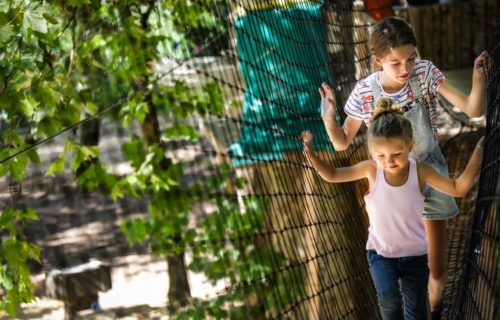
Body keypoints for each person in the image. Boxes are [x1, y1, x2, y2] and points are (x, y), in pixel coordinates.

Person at [319, 16, 490, 318]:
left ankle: (436, 310)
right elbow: (342, 142)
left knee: (436, 272)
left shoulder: (423, 74)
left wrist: (478, 76)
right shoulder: (366, 91)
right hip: (394, 185)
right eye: (395, 62)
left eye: (410, 58)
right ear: (378, 60)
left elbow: (473, 109)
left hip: (429, 173)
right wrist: (328, 119)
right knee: (400, 277)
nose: (405, 68)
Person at [301, 97, 484, 320]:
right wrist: (311, 155)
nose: (389, 161)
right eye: (380, 155)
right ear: (372, 152)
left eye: (396, 153)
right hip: (381, 254)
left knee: (416, 312)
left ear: (409, 145)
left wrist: (477, 156)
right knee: (388, 300)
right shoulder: (371, 170)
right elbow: (333, 175)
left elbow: (457, 188)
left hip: (415, 256)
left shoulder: (421, 171)